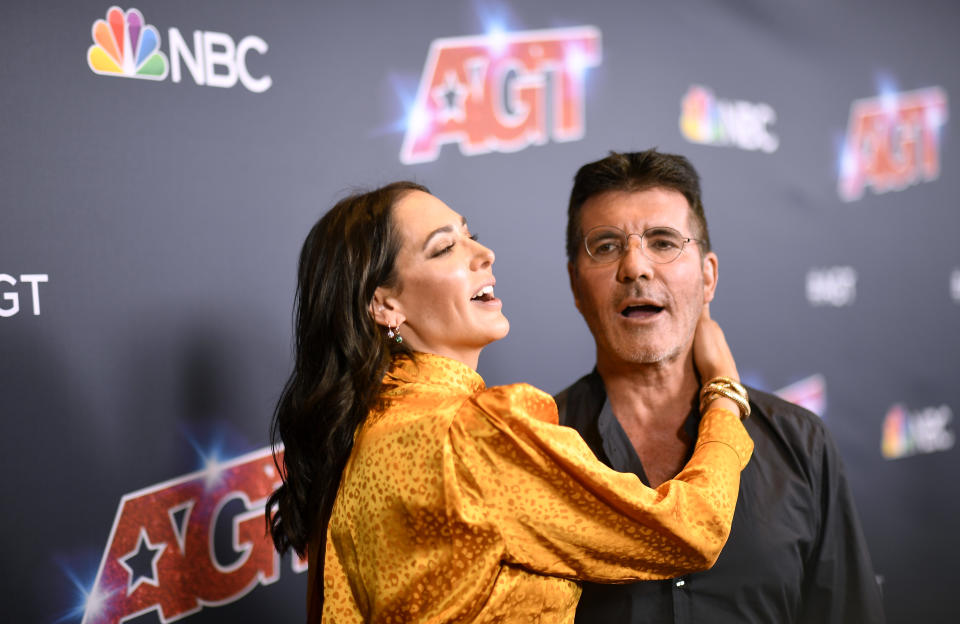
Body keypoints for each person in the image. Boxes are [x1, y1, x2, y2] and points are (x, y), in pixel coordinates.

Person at [265, 181, 753, 623]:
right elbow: (691, 528)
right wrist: (725, 391)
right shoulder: (469, 437)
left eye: (469, 234)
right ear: (385, 305)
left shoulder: (369, 430)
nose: (484, 253)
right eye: (444, 249)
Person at [556, 149, 885, 623]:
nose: (635, 267)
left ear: (708, 276)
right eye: (606, 246)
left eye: (664, 241)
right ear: (575, 285)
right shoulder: (534, 446)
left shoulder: (800, 444)